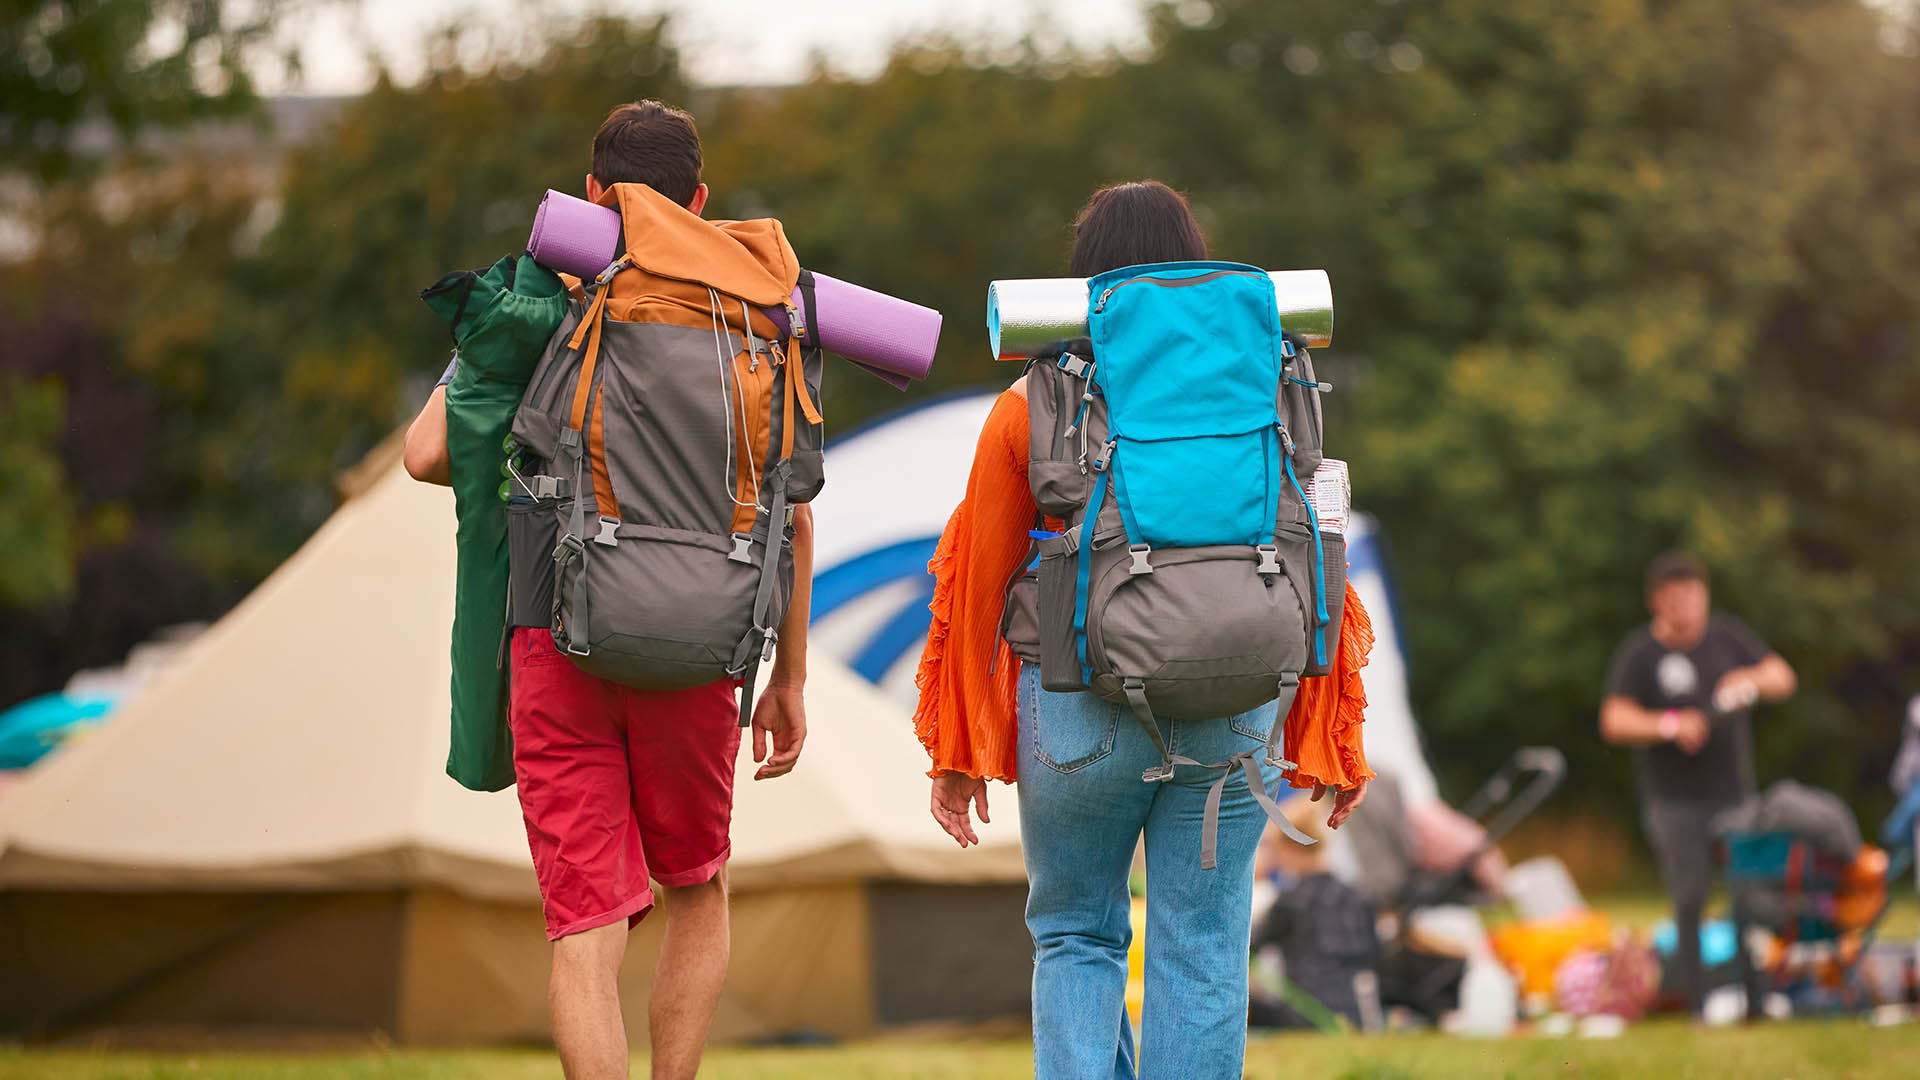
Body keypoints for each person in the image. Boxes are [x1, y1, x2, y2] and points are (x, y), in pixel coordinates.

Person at [913, 180, 1371, 1080]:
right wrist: (1333, 732)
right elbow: (1319, 563)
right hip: (1239, 704)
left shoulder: (1032, 402)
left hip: (1080, 707)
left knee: (1078, 934)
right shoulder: (1274, 392)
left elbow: (977, 579)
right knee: (1201, 943)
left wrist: (958, 750)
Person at [404, 100, 813, 1080]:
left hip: (554, 633)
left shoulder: (541, 301)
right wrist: (788, 680)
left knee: (585, 924)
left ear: (592, 195)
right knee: (697, 889)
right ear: (702, 201)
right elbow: (792, 513)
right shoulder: (752, 310)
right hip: (702, 644)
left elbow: (424, 456)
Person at [1600, 550, 1795, 1016]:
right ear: (1656, 602)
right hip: (1672, 799)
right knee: (1689, 897)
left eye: (1694, 596)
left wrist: (1747, 678)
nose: (1687, 607)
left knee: (1747, 893)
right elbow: (1614, 719)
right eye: (1675, 598)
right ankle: (1697, 1007)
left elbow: (1782, 678)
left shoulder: (1728, 637)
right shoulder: (1641, 653)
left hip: (1731, 793)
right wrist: (1669, 725)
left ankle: (1756, 1002)